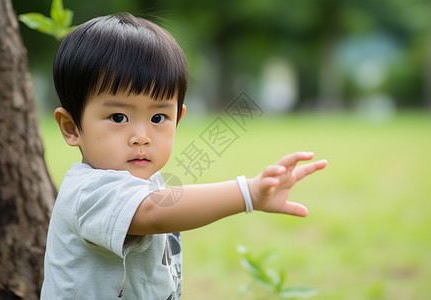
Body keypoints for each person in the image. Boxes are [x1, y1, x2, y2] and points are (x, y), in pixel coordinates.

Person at [41, 13, 327, 299]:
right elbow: (152, 213)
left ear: (178, 118)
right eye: (118, 117)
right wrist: (247, 193)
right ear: (71, 127)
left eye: (158, 117)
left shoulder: (147, 180)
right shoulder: (89, 191)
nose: (142, 136)